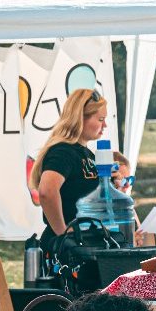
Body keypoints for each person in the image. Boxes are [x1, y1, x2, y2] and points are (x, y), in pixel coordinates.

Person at [30, 88, 110, 250]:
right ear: (80, 118)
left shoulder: (87, 154)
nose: (105, 125)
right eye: (100, 119)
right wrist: (63, 232)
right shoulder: (64, 151)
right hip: (68, 251)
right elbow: (47, 191)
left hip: (85, 244)